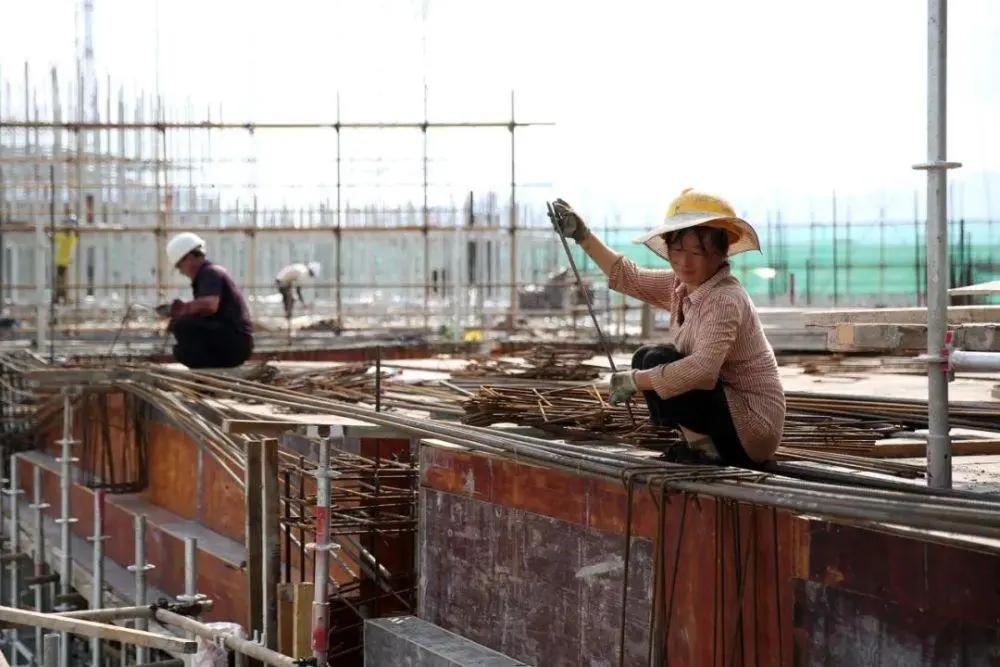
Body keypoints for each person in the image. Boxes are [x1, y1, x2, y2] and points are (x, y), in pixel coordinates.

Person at [551, 189, 785, 466]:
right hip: (725, 415)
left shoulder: (724, 298)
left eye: (699, 252)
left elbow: (703, 372)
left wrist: (634, 380)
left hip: (752, 428)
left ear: (720, 253)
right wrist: (583, 236)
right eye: (678, 250)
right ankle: (697, 443)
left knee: (654, 361)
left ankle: (704, 450)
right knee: (646, 356)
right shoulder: (680, 285)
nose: (685, 262)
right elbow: (629, 277)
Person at [165, 232, 254, 368]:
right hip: (234, 340)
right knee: (182, 340)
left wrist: (182, 309)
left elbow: (210, 305)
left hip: (234, 342)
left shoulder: (209, 273)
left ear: (188, 258)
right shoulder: (208, 274)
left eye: (179, 266)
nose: (181, 272)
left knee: (183, 326)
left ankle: (208, 370)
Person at [53, 216, 79, 304]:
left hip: (63, 261)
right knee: (63, 280)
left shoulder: (63, 236)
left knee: (61, 280)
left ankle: (60, 297)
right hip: (64, 262)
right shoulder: (70, 236)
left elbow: (53, 239)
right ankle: (63, 297)